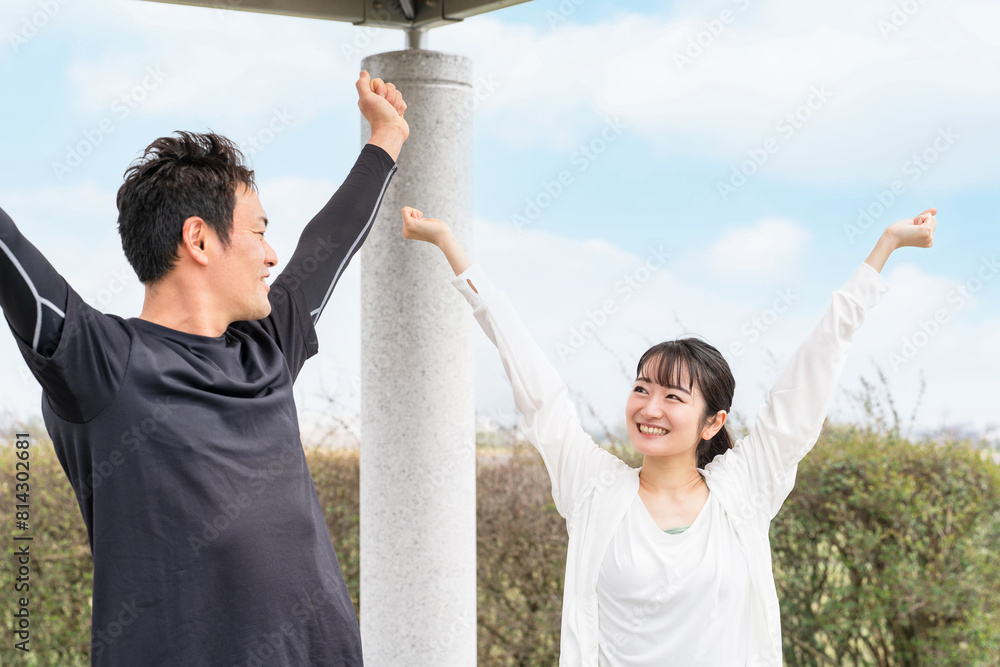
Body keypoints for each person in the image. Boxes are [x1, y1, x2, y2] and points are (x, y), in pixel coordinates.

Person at [400, 205, 937, 666]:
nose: (649, 408)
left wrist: (885, 246)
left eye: (674, 397)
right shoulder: (593, 488)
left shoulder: (744, 490)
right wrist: (450, 247)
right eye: (641, 388)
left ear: (713, 423)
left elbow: (807, 381)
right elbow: (537, 385)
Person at [0, 71, 407, 666]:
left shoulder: (267, 348)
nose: (272, 254)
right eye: (261, 232)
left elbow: (334, 237)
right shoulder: (102, 365)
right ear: (199, 238)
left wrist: (387, 136)